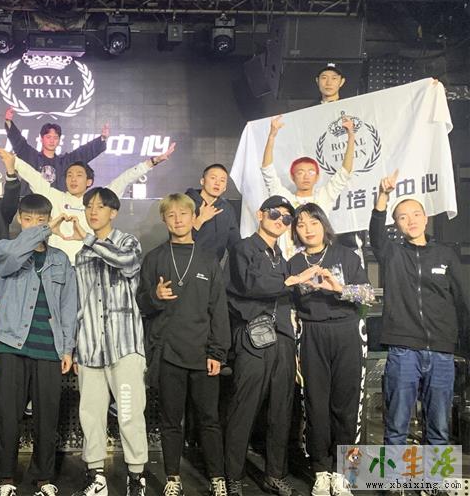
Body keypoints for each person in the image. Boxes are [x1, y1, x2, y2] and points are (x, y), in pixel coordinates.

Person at [136, 193, 230, 496]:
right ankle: (173, 478)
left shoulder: (208, 259)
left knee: (209, 420)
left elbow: (218, 309)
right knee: (170, 420)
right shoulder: (154, 258)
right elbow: (140, 304)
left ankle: (217, 479)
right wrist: (155, 297)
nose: (178, 220)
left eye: (183, 214)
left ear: (193, 217)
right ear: (164, 220)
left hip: (203, 354)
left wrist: (217, 352)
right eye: (171, 215)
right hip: (167, 353)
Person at [370, 170, 469, 446]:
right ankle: (394, 473)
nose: (411, 220)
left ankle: (434, 474)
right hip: (403, 350)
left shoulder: (445, 254)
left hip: (441, 352)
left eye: (416, 214)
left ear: (426, 218)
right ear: (396, 224)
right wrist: (383, 197)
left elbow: (462, 299)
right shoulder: (392, 253)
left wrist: (461, 343)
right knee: (396, 426)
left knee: (439, 428)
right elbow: (376, 235)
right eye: (403, 217)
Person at [0, 194, 79, 496]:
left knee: (47, 418)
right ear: (19, 219)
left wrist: (67, 348)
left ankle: (44, 478)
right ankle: (5, 478)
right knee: (8, 416)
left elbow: (69, 306)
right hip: (11, 345)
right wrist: (44, 230)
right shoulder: (5, 249)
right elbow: (13, 258)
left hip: (49, 349)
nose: (34, 225)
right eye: (28, 219)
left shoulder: (60, 260)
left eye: (41, 220)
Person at [286, 203, 374, 496]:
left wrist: (339, 288)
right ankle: (321, 471)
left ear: (324, 225)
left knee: (346, 406)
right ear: (295, 231)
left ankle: (344, 472)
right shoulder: (294, 263)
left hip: (347, 332)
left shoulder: (346, 256)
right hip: (312, 334)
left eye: (313, 222)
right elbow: (290, 308)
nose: (308, 229)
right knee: (315, 405)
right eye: (301, 225)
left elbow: (368, 295)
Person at [65, 187, 148, 496]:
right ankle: (96, 477)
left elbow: (126, 263)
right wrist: (75, 347)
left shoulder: (127, 242)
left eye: (100, 206)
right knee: (91, 414)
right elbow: (79, 303)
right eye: (89, 206)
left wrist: (89, 239)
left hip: (124, 346)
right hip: (90, 346)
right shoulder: (82, 254)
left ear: (113, 212)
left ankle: (136, 477)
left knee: (129, 412)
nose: (93, 211)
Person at [0, 132, 175, 265]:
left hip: (88, 266)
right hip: (57, 267)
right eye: (69, 175)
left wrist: (151, 162)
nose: (73, 179)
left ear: (89, 181)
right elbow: (31, 174)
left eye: (78, 175)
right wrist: (5, 155)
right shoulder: (54, 196)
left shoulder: (97, 201)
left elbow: (124, 179)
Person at [224, 195, 306, 496]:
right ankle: (233, 476)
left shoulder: (281, 258)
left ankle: (275, 473)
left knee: (281, 410)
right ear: (260, 214)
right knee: (244, 408)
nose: (280, 220)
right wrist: (290, 282)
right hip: (252, 336)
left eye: (287, 218)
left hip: (282, 338)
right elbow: (248, 285)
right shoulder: (243, 248)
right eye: (275, 213)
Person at [261, 114, 355, 257]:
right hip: (289, 262)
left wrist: (351, 136)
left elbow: (345, 172)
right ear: (292, 177)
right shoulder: (284, 199)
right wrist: (272, 136)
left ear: (317, 177)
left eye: (311, 172)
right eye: (300, 172)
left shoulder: (324, 196)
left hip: (320, 261)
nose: (306, 176)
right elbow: (267, 170)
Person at [4, 107, 109, 191]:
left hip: (57, 206)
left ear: (59, 140)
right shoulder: (31, 156)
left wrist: (103, 138)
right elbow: (19, 143)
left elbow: (84, 152)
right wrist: (9, 122)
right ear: (41, 138)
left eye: (55, 138)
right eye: (48, 137)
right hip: (33, 205)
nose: (52, 141)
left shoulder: (65, 162)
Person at [184, 163, 241, 263]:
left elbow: (235, 244)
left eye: (222, 180)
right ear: (202, 181)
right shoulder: (186, 203)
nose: (217, 183)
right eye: (213, 178)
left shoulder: (227, 209)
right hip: (187, 263)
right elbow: (178, 239)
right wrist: (200, 220)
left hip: (214, 266)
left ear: (225, 187)